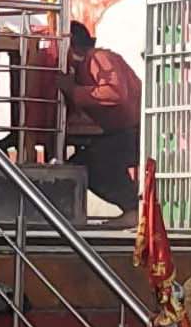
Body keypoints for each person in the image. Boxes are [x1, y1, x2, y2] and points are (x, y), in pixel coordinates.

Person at [61, 20, 143, 210]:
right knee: (81, 164)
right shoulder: (84, 67)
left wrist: (72, 91)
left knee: (95, 162)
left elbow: (115, 93)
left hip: (135, 131)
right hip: (122, 132)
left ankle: (132, 208)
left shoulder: (98, 57)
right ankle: (131, 208)